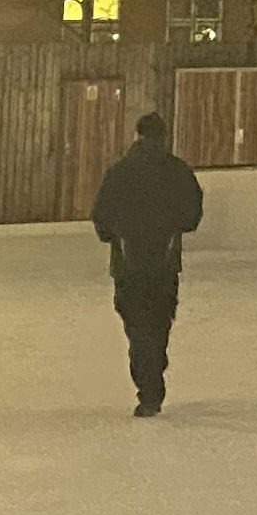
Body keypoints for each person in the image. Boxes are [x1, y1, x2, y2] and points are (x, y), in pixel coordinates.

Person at [89, 110, 204, 416]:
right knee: (158, 323)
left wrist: (116, 235)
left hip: (128, 263)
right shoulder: (178, 172)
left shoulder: (119, 172)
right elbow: (192, 215)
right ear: (163, 137)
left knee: (137, 326)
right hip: (165, 263)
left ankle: (147, 385)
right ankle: (153, 379)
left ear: (137, 136)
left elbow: (101, 216)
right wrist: (170, 229)